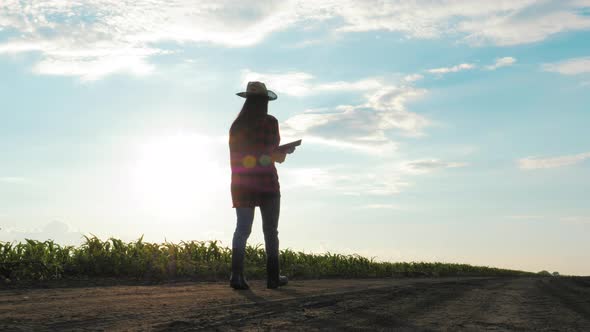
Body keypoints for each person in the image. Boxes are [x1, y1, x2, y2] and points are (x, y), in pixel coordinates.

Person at [228, 81, 295, 290]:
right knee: (271, 231)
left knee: (242, 229)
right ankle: (273, 278)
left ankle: (236, 276)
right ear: (265, 101)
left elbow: (242, 157)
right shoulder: (270, 122)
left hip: (242, 183)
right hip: (267, 183)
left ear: (247, 100)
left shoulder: (237, 125)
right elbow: (274, 158)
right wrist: (282, 153)